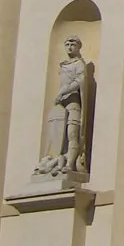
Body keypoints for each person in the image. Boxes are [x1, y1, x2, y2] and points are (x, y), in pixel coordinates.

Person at [34, 36, 89, 176]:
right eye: (67, 44)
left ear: (78, 47)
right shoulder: (63, 65)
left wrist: (63, 91)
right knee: (58, 134)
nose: (70, 47)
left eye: (73, 44)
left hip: (73, 102)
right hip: (61, 104)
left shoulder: (79, 64)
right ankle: (58, 160)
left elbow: (79, 82)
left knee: (72, 134)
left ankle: (70, 165)